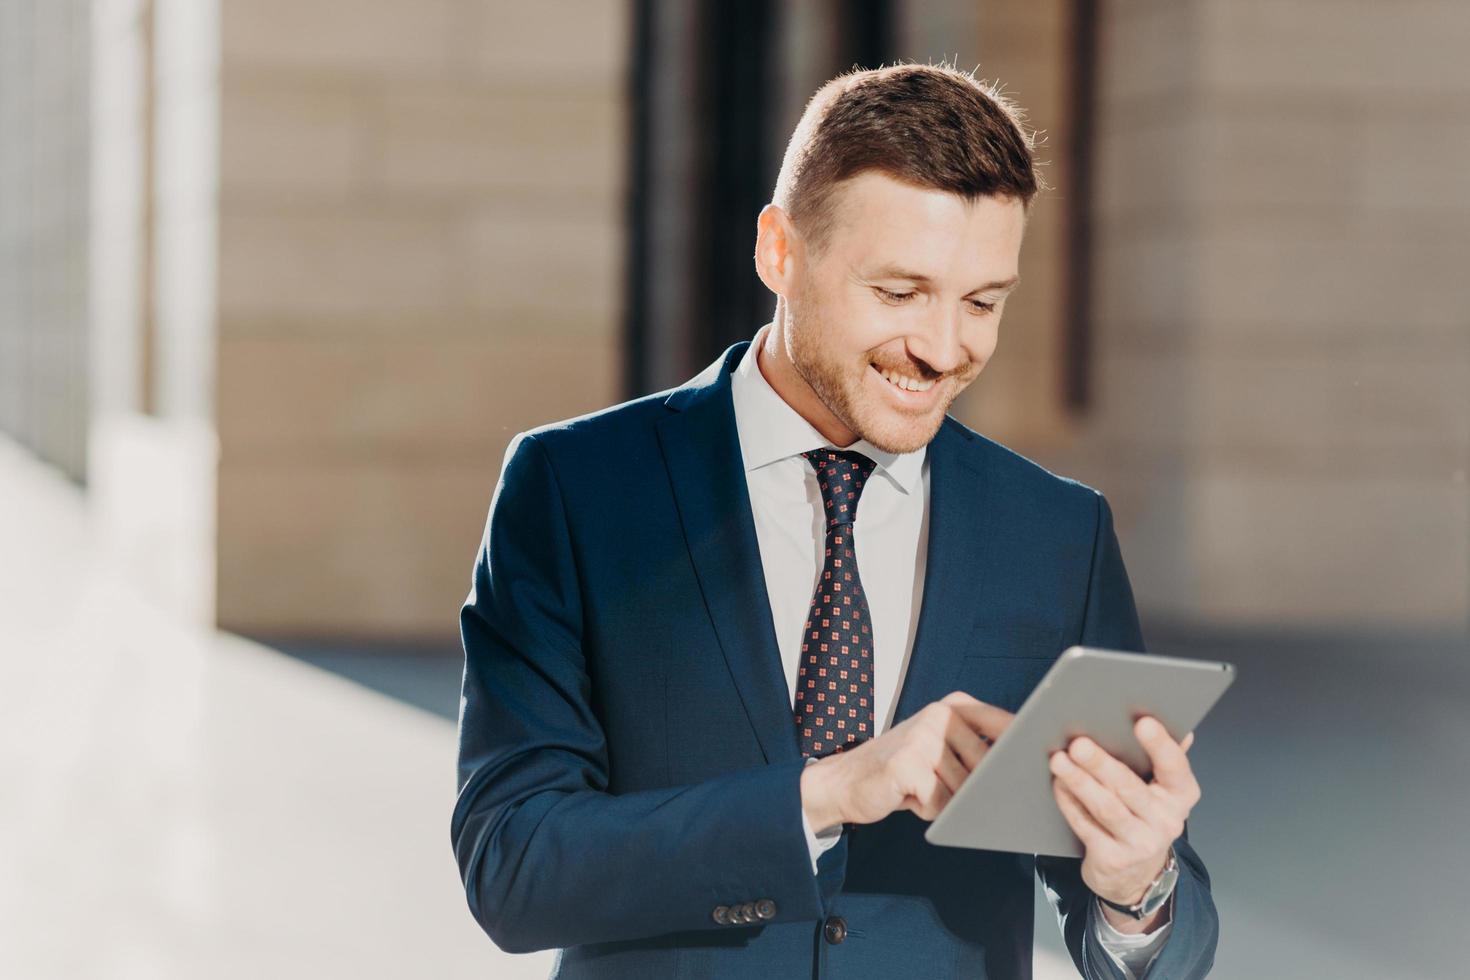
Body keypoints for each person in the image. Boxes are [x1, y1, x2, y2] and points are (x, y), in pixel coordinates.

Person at [452, 63, 1217, 979]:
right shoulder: (575, 488)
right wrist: (826, 795)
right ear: (780, 252)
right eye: (899, 293)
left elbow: (1158, 935)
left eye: (982, 303)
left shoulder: (1056, 533)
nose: (942, 349)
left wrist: (1137, 884)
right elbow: (513, 863)